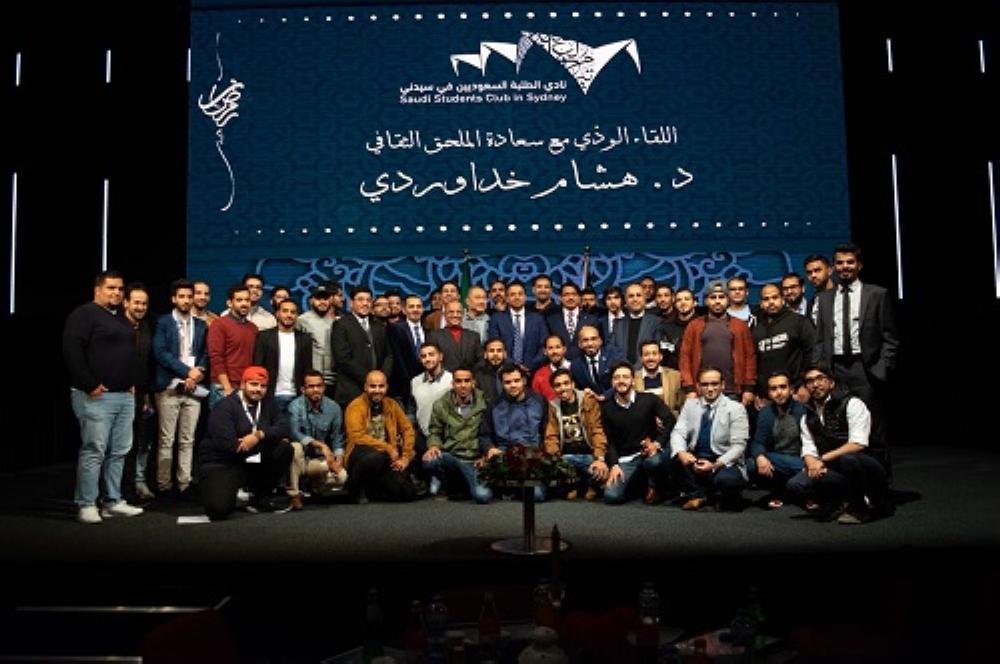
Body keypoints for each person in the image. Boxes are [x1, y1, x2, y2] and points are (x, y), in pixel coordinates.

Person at [63, 270, 145, 524]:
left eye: (120, 288)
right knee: (94, 450)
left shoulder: (120, 318)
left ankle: (112, 501)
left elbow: (128, 353)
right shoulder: (84, 314)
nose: (117, 292)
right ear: (97, 289)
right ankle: (86, 504)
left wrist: (130, 383)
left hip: (124, 396)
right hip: (97, 397)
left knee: (119, 451)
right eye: (111, 288)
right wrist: (90, 384)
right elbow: (72, 351)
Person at [811, 243, 898, 469]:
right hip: (835, 369)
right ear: (834, 267)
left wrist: (882, 368)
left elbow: (890, 337)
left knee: (873, 430)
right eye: (840, 263)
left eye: (850, 262)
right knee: (838, 428)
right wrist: (821, 371)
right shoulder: (824, 299)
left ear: (859, 265)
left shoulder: (877, 294)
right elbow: (820, 340)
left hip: (865, 368)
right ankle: (847, 484)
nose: (845, 267)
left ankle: (880, 485)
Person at [786, 365, 891, 524]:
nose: (815, 384)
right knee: (796, 484)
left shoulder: (852, 404)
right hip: (835, 466)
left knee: (849, 458)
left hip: (866, 465)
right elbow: (808, 447)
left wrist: (822, 459)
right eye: (810, 381)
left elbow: (858, 444)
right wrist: (812, 464)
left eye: (820, 379)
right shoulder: (807, 415)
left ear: (831, 383)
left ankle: (861, 507)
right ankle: (842, 501)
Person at [198, 366, 293, 519]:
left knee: (284, 448)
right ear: (243, 384)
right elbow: (229, 447)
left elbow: (285, 428)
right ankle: (233, 490)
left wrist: (258, 436)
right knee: (218, 510)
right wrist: (268, 439)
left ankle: (260, 496)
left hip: (249, 458)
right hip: (223, 462)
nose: (258, 389)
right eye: (254, 384)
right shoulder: (224, 406)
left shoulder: (268, 403)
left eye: (263, 386)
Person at [152, 279, 208, 497]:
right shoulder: (163, 322)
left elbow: (204, 353)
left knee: (188, 439)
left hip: (193, 388)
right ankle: (164, 484)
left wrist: (198, 371)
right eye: (181, 296)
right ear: (173, 299)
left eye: (189, 296)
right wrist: (187, 372)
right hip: (169, 386)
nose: (186, 300)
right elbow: (161, 353)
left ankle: (184, 483)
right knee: (166, 440)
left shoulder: (201, 325)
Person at [669, 366, 749, 511]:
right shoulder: (690, 405)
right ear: (698, 386)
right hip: (696, 458)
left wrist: (715, 465)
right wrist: (681, 452)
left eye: (714, 384)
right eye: (705, 384)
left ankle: (711, 494)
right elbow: (678, 432)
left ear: (722, 385)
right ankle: (699, 495)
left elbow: (739, 446)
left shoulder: (735, 408)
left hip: (722, 461)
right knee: (670, 455)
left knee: (727, 481)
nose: (710, 389)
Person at [599, 362, 675, 505]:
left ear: (633, 380)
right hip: (626, 460)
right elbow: (609, 440)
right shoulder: (606, 408)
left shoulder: (649, 399)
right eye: (617, 377)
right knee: (611, 496)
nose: (621, 381)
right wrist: (614, 465)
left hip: (649, 454)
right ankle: (640, 485)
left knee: (654, 462)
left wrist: (657, 443)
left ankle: (654, 486)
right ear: (612, 382)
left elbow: (671, 421)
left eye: (625, 377)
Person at [343, 370, 417, 502]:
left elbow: (408, 430)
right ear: (365, 387)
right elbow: (357, 436)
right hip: (361, 454)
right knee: (375, 457)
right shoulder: (355, 406)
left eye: (381, 386)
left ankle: (375, 488)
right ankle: (355, 489)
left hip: (387, 458)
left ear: (386, 387)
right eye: (373, 386)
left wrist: (405, 458)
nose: (377, 390)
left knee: (407, 492)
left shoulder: (392, 404)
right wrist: (388, 448)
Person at [423, 366, 493, 503]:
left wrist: (485, 455)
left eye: (467, 381)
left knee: (483, 496)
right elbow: (435, 430)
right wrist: (433, 446)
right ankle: (447, 483)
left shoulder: (485, 403)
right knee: (430, 460)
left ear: (473, 383)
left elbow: (490, 433)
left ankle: (464, 486)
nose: (463, 385)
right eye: (459, 381)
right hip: (452, 456)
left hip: (475, 459)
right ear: (452, 383)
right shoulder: (441, 404)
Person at [678, 281, 756, 405]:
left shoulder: (740, 326)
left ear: (728, 299)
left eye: (721, 297)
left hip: (732, 390)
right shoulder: (694, 326)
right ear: (706, 301)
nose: (717, 301)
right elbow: (685, 358)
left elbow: (749, 358)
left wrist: (748, 388)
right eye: (713, 297)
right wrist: (689, 388)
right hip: (701, 390)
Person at [484, 364, 549, 501]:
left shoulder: (539, 401)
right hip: (504, 455)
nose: (513, 385)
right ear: (502, 384)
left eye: (516, 380)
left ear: (524, 381)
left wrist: (542, 452)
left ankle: (515, 489)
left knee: (536, 496)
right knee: (482, 495)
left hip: (532, 455)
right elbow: (485, 434)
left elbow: (546, 432)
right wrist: (490, 448)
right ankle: (511, 487)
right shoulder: (493, 405)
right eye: (507, 382)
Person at [285, 370, 347, 510]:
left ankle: (314, 487)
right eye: (311, 386)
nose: (315, 390)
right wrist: (320, 445)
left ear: (324, 387)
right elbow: (294, 433)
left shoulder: (334, 408)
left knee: (342, 477)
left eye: (319, 386)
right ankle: (294, 494)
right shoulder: (295, 406)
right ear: (303, 389)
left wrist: (339, 459)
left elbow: (337, 438)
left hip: (318, 460)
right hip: (299, 460)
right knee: (295, 447)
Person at [544, 369, 609, 500]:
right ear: (553, 388)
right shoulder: (553, 406)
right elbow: (551, 436)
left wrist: (600, 458)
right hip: (566, 457)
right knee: (556, 466)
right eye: (558, 385)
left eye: (566, 383)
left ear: (573, 384)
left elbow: (597, 431)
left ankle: (589, 485)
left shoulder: (588, 400)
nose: (563, 388)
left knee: (599, 470)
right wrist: (555, 458)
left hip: (589, 455)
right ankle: (573, 485)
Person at [747, 372, 806, 508]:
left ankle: (800, 491)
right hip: (777, 462)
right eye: (773, 389)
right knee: (752, 464)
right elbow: (758, 441)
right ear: (769, 393)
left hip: (800, 460)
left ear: (791, 390)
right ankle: (780, 490)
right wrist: (760, 457)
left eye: (783, 387)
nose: (779, 392)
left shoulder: (803, 410)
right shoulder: (766, 412)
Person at [331, 285, 393, 410]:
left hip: (378, 392)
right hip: (351, 390)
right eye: (360, 300)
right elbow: (342, 359)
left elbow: (388, 355)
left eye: (368, 300)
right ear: (351, 303)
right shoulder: (341, 324)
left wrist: (381, 378)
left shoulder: (379, 326)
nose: (365, 303)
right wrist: (370, 379)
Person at [753, 283, 815, 404]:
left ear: (782, 299)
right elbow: (755, 363)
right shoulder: (757, 330)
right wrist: (758, 392)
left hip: (796, 392)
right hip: (767, 396)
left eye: (775, 297)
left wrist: (805, 384)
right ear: (761, 304)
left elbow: (812, 353)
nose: (771, 302)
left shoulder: (799, 321)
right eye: (766, 299)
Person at [123, 282, 156, 501]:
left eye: (144, 304)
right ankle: (116, 492)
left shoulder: (146, 327)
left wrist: (145, 397)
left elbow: (146, 364)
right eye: (136, 303)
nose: (140, 307)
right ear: (126, 303)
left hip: (140, 394)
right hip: (118, 393)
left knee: (140, 442)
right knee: (120, 445)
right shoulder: (115, 326)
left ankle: (135, 485)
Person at [253, 298, 313, 412]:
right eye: (285, 311)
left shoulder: (305, 339)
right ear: (277, 313)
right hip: (270, 395)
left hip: (297, 396)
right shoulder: (264, 337)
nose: (289, 315)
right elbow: (258, 366)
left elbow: (308, 368)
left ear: (297, 316)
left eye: (293, 312)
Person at [206, 284, 258, 408]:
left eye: (247, 300)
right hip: (223, 387)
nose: (244, 303)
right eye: (239, 300)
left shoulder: (253, 328)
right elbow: (216, 357)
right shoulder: (219, 324)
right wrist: (226, 387)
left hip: (245, 386)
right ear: (229, 303)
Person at [486, 280, 548, 371]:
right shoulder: (497, 318)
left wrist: (531, 365)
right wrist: (514, 366)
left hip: (533, 369)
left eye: (520, 294)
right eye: (513, 294)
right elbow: (494, 346)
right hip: (505, 370)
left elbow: (545, 345)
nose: (517, 297)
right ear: (507, 298)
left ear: (525, 297)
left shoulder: (538, 318)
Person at [410, 342, 453, 454]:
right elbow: (412, 408)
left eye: (431, 354)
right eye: (423, 356)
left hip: (446, 437)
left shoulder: (452, 380)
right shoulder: (415, 381)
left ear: (440, 357)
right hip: (422, 437)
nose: (427, 359)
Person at [295, 284, 337, 399]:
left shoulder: (336, 322)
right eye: (318, 298)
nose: (322, 302)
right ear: (311, 300)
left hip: (333, 379)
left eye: (325, 299)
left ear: (330, 300)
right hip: (311, 380)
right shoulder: (301, 320)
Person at [610, 282, 663, 364]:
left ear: (645, 298)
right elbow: (613, 350)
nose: (635, 299)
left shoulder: (656, 322)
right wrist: (625, 368)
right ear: (626, 300)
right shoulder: (617, 324)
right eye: (631, 296)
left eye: (638, 295)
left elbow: (657, 351)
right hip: (622, 369)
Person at [544, 282, 596, 361]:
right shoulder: (550, 319)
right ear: (560, 298)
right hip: (558, 363)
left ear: (579, 297)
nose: (570, 297)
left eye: (574, 294)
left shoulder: (591, 319)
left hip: (584, 363)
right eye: (566, 294)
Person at [633, 340, 684, 418]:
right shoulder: (633, 379)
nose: (651, 358)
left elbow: (682, 406)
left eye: (654, 354)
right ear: (641, 358)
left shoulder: (675, 376)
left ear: (660, 357)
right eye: (646, 354)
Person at [428, 300, 482, 372]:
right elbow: (432, 361)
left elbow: (480, 361)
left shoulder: (474, 336)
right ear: (444, 314)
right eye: (451, 312)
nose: (455, 315)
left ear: (463, 314)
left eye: (458, 312)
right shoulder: (434, 336)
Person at [569, 325, 625, 394]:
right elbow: (578, 389)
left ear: (600, 341)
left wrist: (604, 396)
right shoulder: (575, 365)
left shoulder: (615, 355)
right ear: (579, 344)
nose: (590, 344)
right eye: (585, 340)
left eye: (593, 339)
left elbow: (624, 380)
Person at [531, 335, 571, 401]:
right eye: (550, 348)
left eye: (558, 347)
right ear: (545, 351)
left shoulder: (576, 368)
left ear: (564, 349)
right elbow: (535, 401)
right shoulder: (539, 375)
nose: (554, 351)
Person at [474, 338, 507, 405]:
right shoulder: (477, 375)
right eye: (491, 351)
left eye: (499, 350)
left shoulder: (513, 373)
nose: (495, 354)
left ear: (505, 354)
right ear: (485, 354)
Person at [803, 254, 835, 322]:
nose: (813, 275)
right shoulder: (811, 304)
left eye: (817, 270)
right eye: (809, 272)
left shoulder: (843, 294)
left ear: (829, 271)